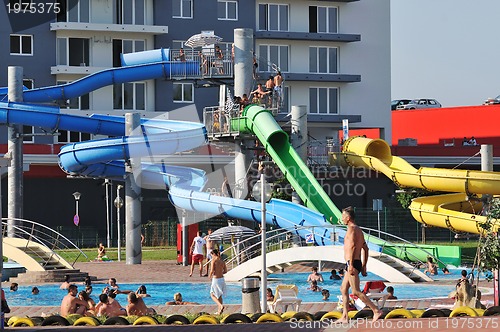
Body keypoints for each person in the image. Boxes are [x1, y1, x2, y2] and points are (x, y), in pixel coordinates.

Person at [338, 206, 383, 323]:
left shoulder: (351, 230)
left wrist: (351, 265)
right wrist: (363, 265)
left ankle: (376, 310)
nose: (342, 218)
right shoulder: (358, 230)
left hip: (351, 263)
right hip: (354, 263)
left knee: (356, 291)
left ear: (348, 218)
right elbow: (366, 249)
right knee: (343, 289)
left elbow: (352, 247)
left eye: (343, 216)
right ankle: (345, 316)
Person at [209, 248, 227, 315]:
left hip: (216, 279)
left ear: (213, 254)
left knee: (212, 294)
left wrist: (210, 276)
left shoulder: (214, 261)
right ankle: (219, 311)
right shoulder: (222, 261)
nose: (211, 257)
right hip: (222, 279)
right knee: (219, 295)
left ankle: (220, 305)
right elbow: (225, 271)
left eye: (212, 255)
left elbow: (212, 270)